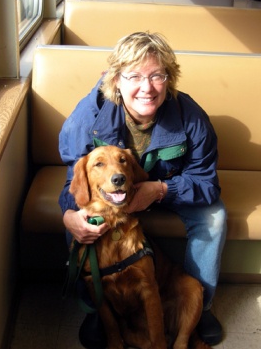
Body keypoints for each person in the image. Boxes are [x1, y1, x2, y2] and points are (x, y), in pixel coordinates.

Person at [59, 32, 227, 348]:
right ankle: (95, 307)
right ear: (115, 80)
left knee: (214, 216)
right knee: (80, 218)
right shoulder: (87, 117)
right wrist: (68, 215)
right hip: (113, 195)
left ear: (169, 79)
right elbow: (74, 183)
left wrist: (161, 189)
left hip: (170, 189)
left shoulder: (191, 117)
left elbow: (206, 184)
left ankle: (199, 307)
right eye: (134, 76)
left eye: (156, 76)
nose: (146, 87)